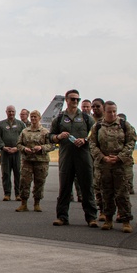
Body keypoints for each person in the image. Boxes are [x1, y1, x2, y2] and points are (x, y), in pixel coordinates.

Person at [49, 89, 98, 227]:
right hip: (66, 156)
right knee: (64, 187)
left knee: (87, 187)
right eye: (72, 99)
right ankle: (62, 216)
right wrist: (58, 137)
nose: (75, 102)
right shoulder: (59, 118)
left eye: (77, 99)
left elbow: (95, 134)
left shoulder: (86, 118)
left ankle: (91, 217)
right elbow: (50, 136)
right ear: (67, 100)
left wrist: (85, 140)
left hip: (83, 156)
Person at [88, 101, 136, 232]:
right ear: (104, 112)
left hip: (120, 164)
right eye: (109, 111)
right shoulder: (97, 126)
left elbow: (131, 142)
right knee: (106, 193)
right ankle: (108, 219)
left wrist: (120, 157)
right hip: (104, 165)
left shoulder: (124, 125)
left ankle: (126, 220)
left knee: (122, 193)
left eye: (114, 111)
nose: (112, 113)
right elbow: (92, 144)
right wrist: (103, 157)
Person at [14, 109, 53, 212]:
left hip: (41, 161)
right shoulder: (25, 131)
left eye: (35, 117)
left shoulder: (45, 132)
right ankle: (24, 203)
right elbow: (18, 144)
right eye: (31, 117)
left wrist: (41, 148)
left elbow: (51, 145)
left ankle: (37, 203)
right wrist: (24, 149)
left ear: (39, 118)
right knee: (24, 182)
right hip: (27, 160)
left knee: (39, 182)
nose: (33, 119)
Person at [0, 105, 24, 201]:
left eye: (12, 111)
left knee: (18, 173)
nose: (11, 113)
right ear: (6, 112)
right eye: (9, 111)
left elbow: (23, 137)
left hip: (17, 153)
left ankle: (18, 194)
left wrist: (17, 148)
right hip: (5, 153)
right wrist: (3, 147)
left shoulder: (20, 124)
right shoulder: (1, 124)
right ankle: (7, 194)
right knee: (6, 174)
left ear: (15, 112)